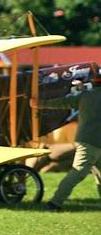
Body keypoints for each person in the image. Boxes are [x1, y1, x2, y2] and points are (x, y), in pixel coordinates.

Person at [38, 79, 101, 211]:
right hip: (93, 142)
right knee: (77, 173)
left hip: (86, 140)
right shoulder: (87, 95)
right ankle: (54, 203)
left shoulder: (86, 96)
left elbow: (63, 103)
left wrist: (40, 104)